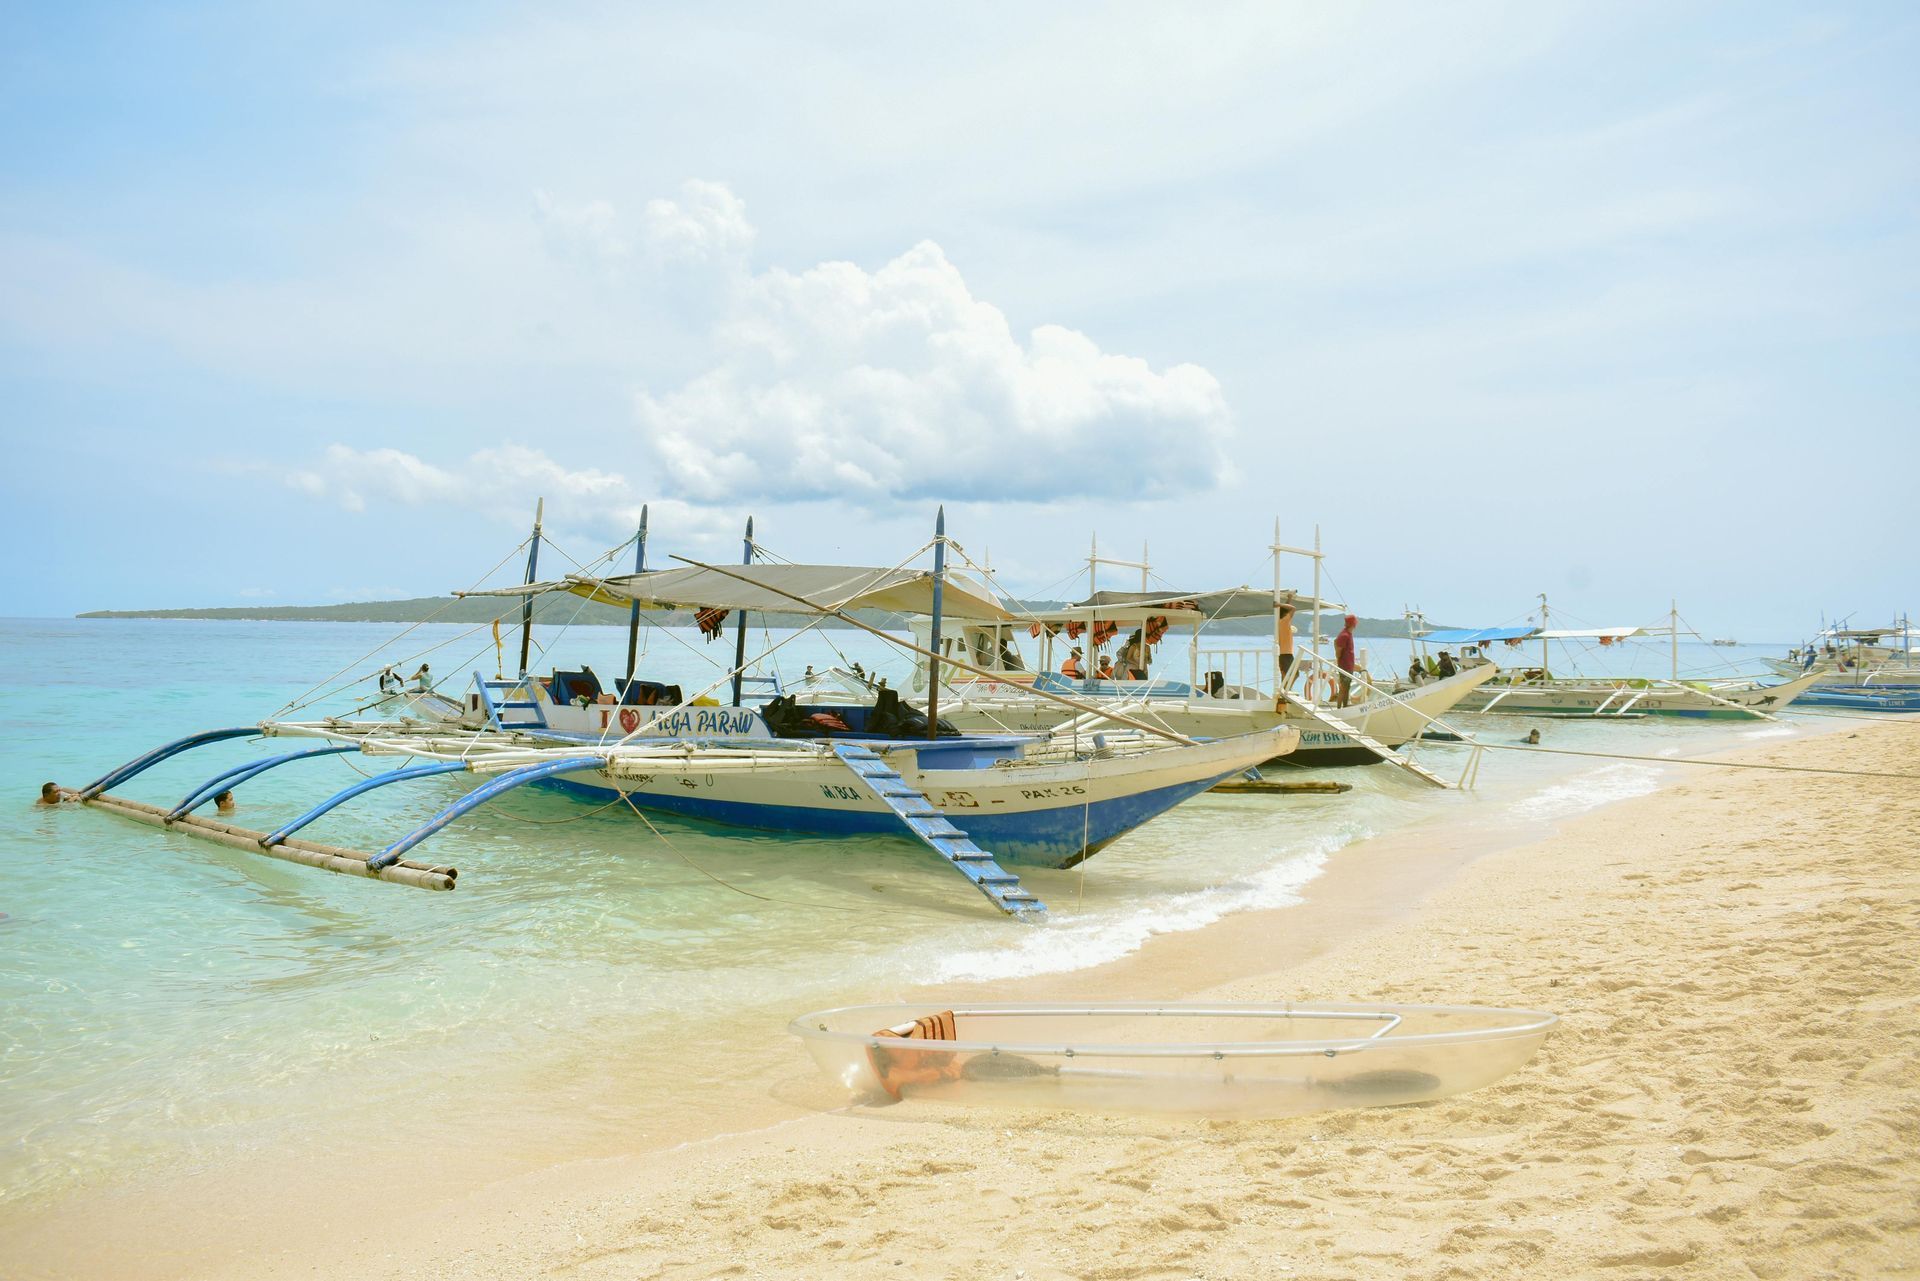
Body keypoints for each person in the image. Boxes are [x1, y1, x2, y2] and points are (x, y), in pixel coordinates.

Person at [1334, 613, 1358, 707]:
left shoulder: (1348, 634)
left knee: (1346, 687)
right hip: (1345, 666)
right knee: (1344, 688)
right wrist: (1339, 659)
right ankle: (1339, 708)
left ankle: (1344, 706)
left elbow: (1335, 642)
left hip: (1348, 665)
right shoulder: (1344, 635)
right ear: (1353, 624)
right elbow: (1338, 648)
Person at [1276, 602, 1297, 687]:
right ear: (1285, 613)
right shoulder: (1284, 621)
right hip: (1285, 653)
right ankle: (1286, 690)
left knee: (1286, 673)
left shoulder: (1282, 622)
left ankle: (1285, 689)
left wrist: (1289, 599)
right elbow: (1293, 608)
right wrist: (1279, 604)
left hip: (1285, 652)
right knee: (1294, 674)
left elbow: (1289, 607)